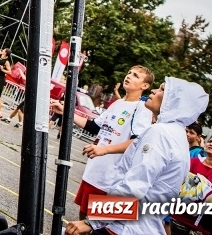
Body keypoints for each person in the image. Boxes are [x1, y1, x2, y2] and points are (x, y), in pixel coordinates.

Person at [64, 77, 209, 235]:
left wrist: (92, 222)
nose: (153, 91)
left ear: (173, 102)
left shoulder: (161, 133)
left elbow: (136, 184)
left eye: (162, 90)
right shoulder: (176, 135)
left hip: (125, 227)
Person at [51, 65, 155, 220]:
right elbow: (94, 126)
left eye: (135, 76)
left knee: (95, 223)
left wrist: (105, 150)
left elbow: (136, 143)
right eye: (129, 73)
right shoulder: (118, 104)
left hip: (111, 178)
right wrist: (66, 112)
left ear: (145, 86)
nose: (129, 76)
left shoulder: (142, 109)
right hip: (94, 170)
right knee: (83, 216)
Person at [171, 134, 212, 234]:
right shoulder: (192, 161)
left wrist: (195, 184)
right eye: (210, 141)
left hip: (204, 223)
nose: (211, 144)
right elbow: (179, 182)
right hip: (179, 216)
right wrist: (204, 188)